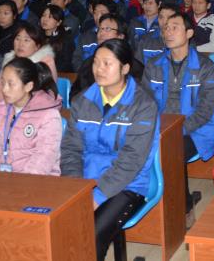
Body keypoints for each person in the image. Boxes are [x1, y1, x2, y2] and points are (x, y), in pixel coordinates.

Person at [61, 39, 159, 261]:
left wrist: (96, 197)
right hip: (84, 179)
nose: (99, 69)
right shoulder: (82, 101)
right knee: (54, 225)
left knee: (91, 233)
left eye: (107, 63)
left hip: (128, 183)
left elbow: (131, 161)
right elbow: (70, 149)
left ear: (125, 68)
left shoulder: (143, 105)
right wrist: (75, 187)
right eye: (96, 62)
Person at [142, 13, 214, 223]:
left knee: (172, 151)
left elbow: (204, 111)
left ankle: (183, 207)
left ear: (189, 33)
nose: (168, 32)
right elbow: (145, 104)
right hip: (161, 128)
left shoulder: (205, 67)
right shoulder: (153, 64)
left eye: (174, 27)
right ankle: (151, 207)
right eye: (166, 28)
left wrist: (175, 131)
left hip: (198, 130)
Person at [0, 58, 62, 175]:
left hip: (36, 181)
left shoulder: (49, 115)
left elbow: (43, 159)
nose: (4, 90)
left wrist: (18, 183)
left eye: (11, 84)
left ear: (28, 86)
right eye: (3, 83)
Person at [0, 23, 57, 103]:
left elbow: (47, 94)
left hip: (37, 107)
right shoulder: (9, 61)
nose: (20, 44)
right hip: (8, 105)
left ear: (37, 46)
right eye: (17, 39)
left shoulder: (45, 62)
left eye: (26, 40)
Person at [40, 4, 75, 73]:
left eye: (50, 17)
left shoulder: (65, 38)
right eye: (43, 15)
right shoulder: (37, 35)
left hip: (59, 74)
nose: (45, 19)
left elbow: (65, 63)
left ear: (59, 22)